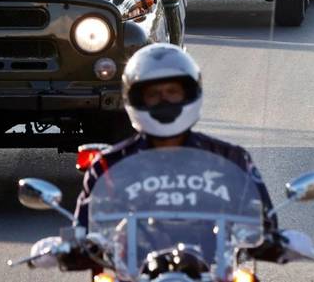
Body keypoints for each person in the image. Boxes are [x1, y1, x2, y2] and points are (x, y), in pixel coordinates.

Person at [63, 44, 286, 268]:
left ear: (189, 94)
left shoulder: (230, 158)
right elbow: (82, 230)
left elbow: (264, 222)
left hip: (213, 272)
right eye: (154, 95)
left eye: (172, 92)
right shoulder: (108, 164)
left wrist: (277, 239)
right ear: (137, 99)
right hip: (131, 273)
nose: (164, 101)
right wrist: (64, 245)